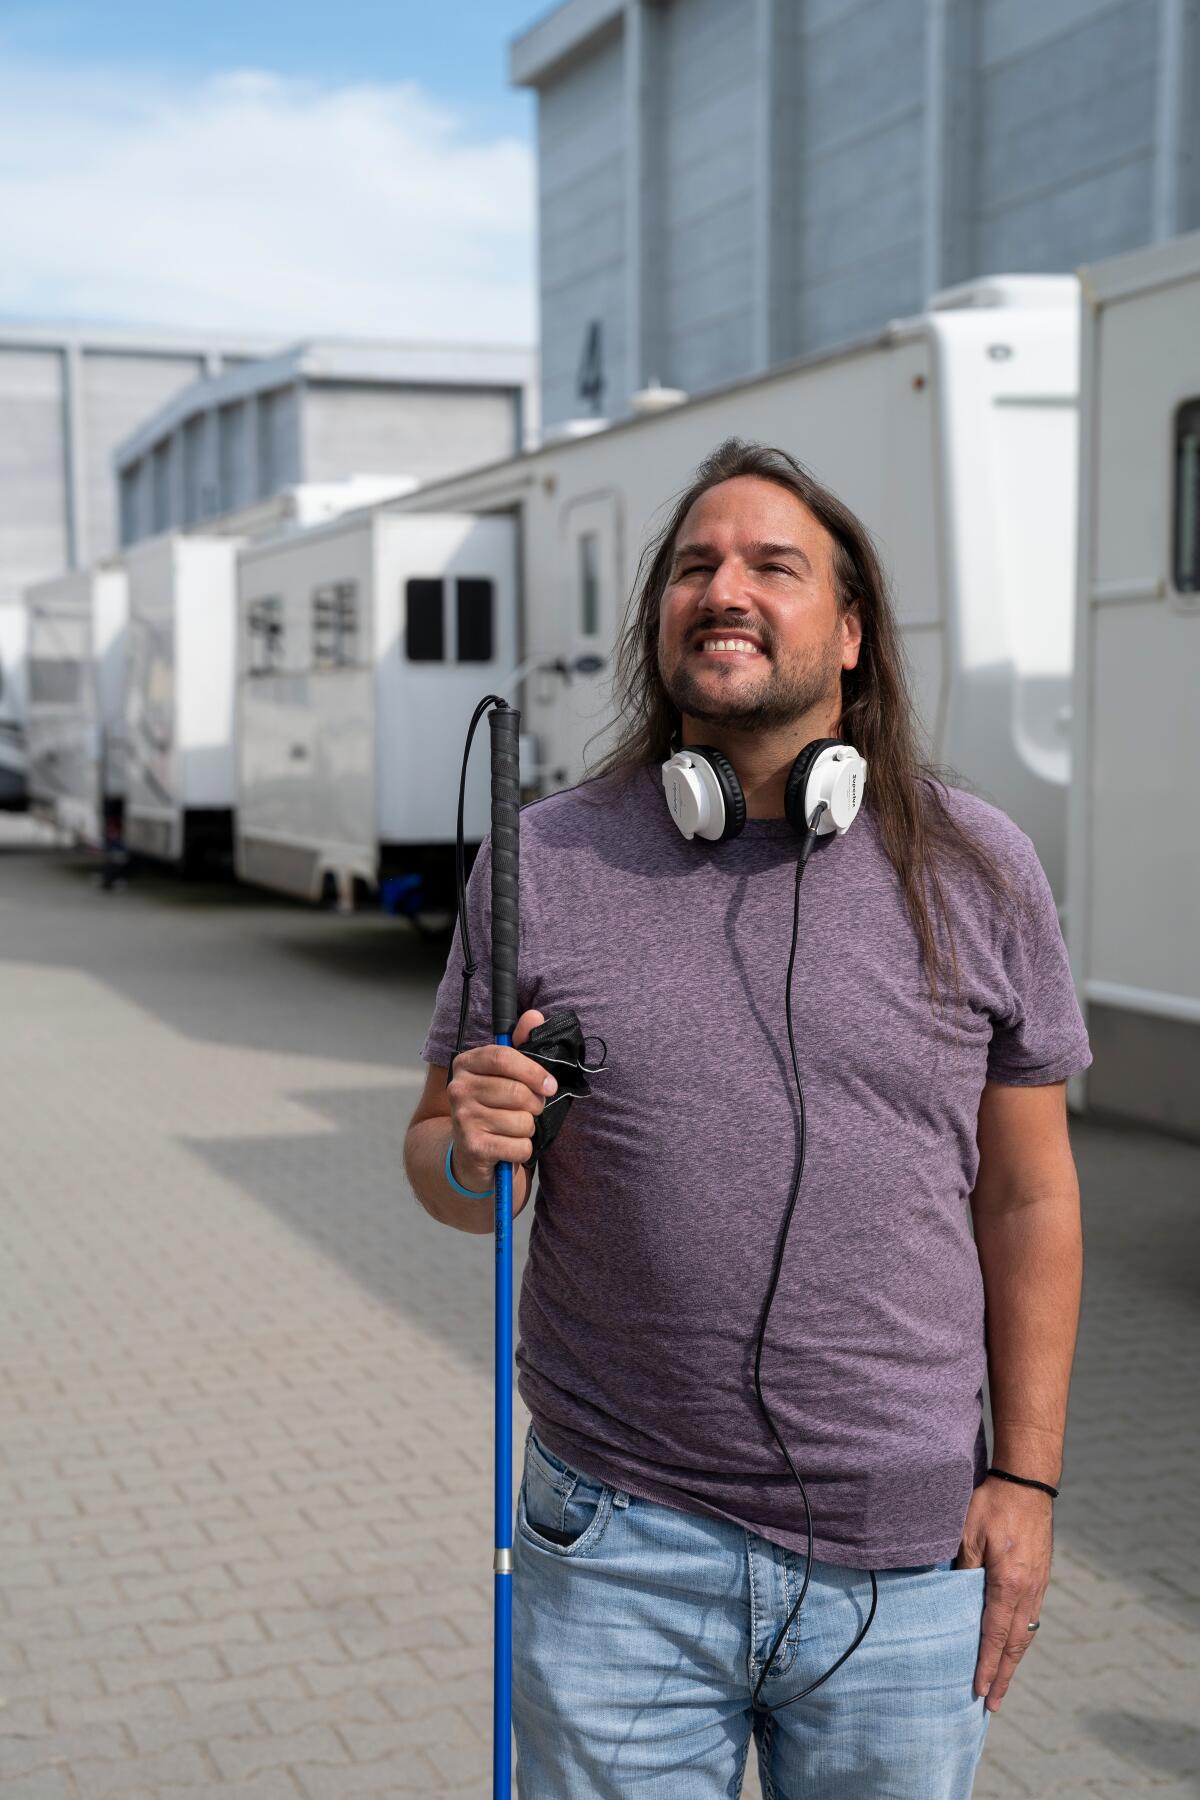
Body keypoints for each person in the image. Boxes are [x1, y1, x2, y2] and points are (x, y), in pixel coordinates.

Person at [404, 439, 1090, 1798]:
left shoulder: (978, 867)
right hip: (618, 1542)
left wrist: (1028, 1484)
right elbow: (443, 1165)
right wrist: (472, 1146)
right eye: (692, 565)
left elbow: (1029, 1199)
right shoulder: (540, 861)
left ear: (849, 634)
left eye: (773, 565)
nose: (723, 588)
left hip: (909, 1561)